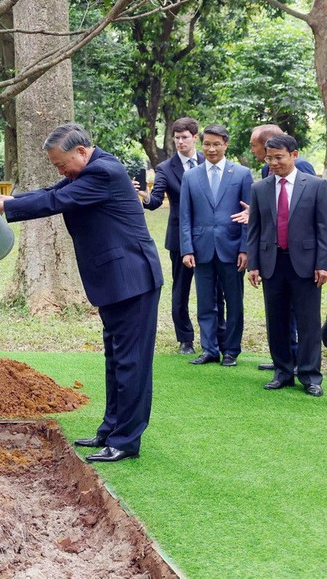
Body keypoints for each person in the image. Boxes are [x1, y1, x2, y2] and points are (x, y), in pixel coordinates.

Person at [0, 123, 162, 463]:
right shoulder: (87, 170)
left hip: (133, 280)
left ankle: (126, 441)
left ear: (81, 152)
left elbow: (55, 201)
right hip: (115, 280)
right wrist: (6, 200)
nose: (60, 171)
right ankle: (111, 429)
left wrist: (1, 209)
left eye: (62, 164)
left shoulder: (102, 171)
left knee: (131, 362)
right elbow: (51, 190)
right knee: (116, 359)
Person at [246, 134, 327, 397]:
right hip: (272, 263)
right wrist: (254, 265)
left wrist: (322, 264)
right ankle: (282, 371)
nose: (273, 163)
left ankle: (310, 375)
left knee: (308, 323)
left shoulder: (315, 186)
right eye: (269, 158)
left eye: (279, 157)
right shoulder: (260, 188)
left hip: (306, 264)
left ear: (294, 155)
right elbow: (254, 230)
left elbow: (322, 229)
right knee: (276, 320)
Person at [137, 117, 225, 355]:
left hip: (210, 237)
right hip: (179, 238)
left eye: (185, 137)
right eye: (176, 138)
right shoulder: (166, 168)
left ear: (195, 138)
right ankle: (185, 339)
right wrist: (142, 195)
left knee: (216, 289)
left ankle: (219, 336)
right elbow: (155, 202)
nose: (180, 142)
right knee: (181, 290)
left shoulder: (209, 161)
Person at [178, 125, 252, 367]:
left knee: (234, 302)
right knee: (205, 302)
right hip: (201, 249)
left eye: (216, 144)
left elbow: (247, 215)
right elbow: (185, 216)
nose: (211, 149)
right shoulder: (190, 176)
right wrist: (187, 249)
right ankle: (209, 349)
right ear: (201, 144)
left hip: (232, 249)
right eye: (207, 144)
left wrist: (244, 248)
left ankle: (231, 350)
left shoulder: (241, 173)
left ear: (226, 145)